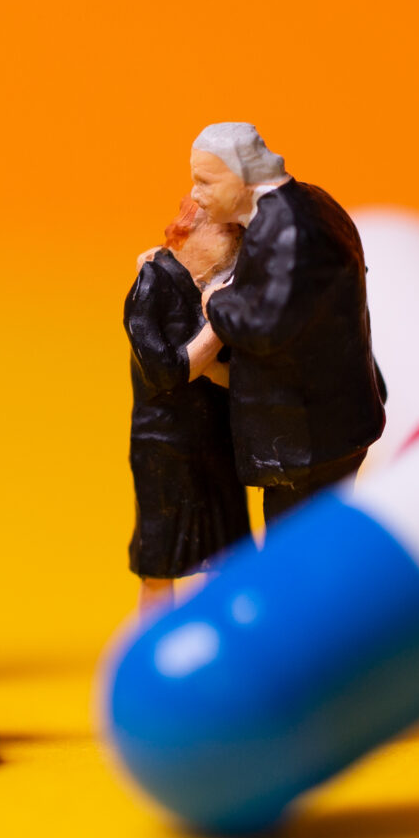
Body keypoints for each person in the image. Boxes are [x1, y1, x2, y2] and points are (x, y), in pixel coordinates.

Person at [184, 122, 385, 527]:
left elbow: (266, 326)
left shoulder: (287, 229)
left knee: (298, 549)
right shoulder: (311, 202)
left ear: (242, 179)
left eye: (204, 182)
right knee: (321, 537)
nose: (195, 195)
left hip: (306, 439)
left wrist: (216, 301)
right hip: (330, 422)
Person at [125, 196, 251, 609]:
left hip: (217, 438)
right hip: (165, 445)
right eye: (228, 231)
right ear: (190, 232)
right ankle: (152, 642)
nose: (237, 241)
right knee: (160, 558)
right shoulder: (152, 284)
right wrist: (214, 327)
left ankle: (221, 635)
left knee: (226, 552)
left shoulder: (227, 283)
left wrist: (215, 369)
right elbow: (165, 371)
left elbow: (241, 368)